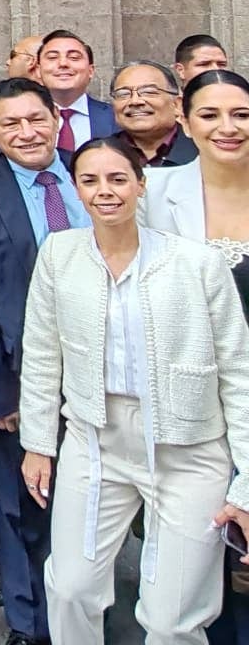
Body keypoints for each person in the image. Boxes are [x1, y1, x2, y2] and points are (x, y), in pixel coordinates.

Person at [20, 136, 249, 645]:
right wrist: (38, 442)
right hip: (94, 440)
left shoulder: (197, 263)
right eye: (91, 180)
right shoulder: (59, 253)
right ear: (76, 189)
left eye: (118, 178)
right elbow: (41, 353)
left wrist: (247, 481)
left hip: (187, 448)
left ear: (141, 185)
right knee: (71, 587)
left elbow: (239, 372)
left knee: (173, 619)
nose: (106, 191)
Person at [0, 77, 91, 645]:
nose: (27, 132)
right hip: (24, 378)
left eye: (36, 119)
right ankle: (32, 626)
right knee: (25, 508)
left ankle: (85, 617)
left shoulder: (91, 173)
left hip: (101, 372)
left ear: (56, 118)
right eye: (12, 124)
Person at [137, 69, 249, 643]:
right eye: (210, 115)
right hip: (196, 406)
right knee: (207, 551)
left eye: (241, 115)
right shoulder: (155, 193)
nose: (227, 128)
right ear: (183, 119)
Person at [36, 30, 115, 151]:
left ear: (91, 70)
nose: (63, 63)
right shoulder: (21, 120)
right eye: (52, 57)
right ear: (38, 70)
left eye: (74, 57)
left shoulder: (116, 117)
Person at [109, 60, 196, 167]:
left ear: (177, 104)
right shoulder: (99, 156)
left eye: (148, 92)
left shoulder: (203, 151)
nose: (135, 101)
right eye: (123, 94)